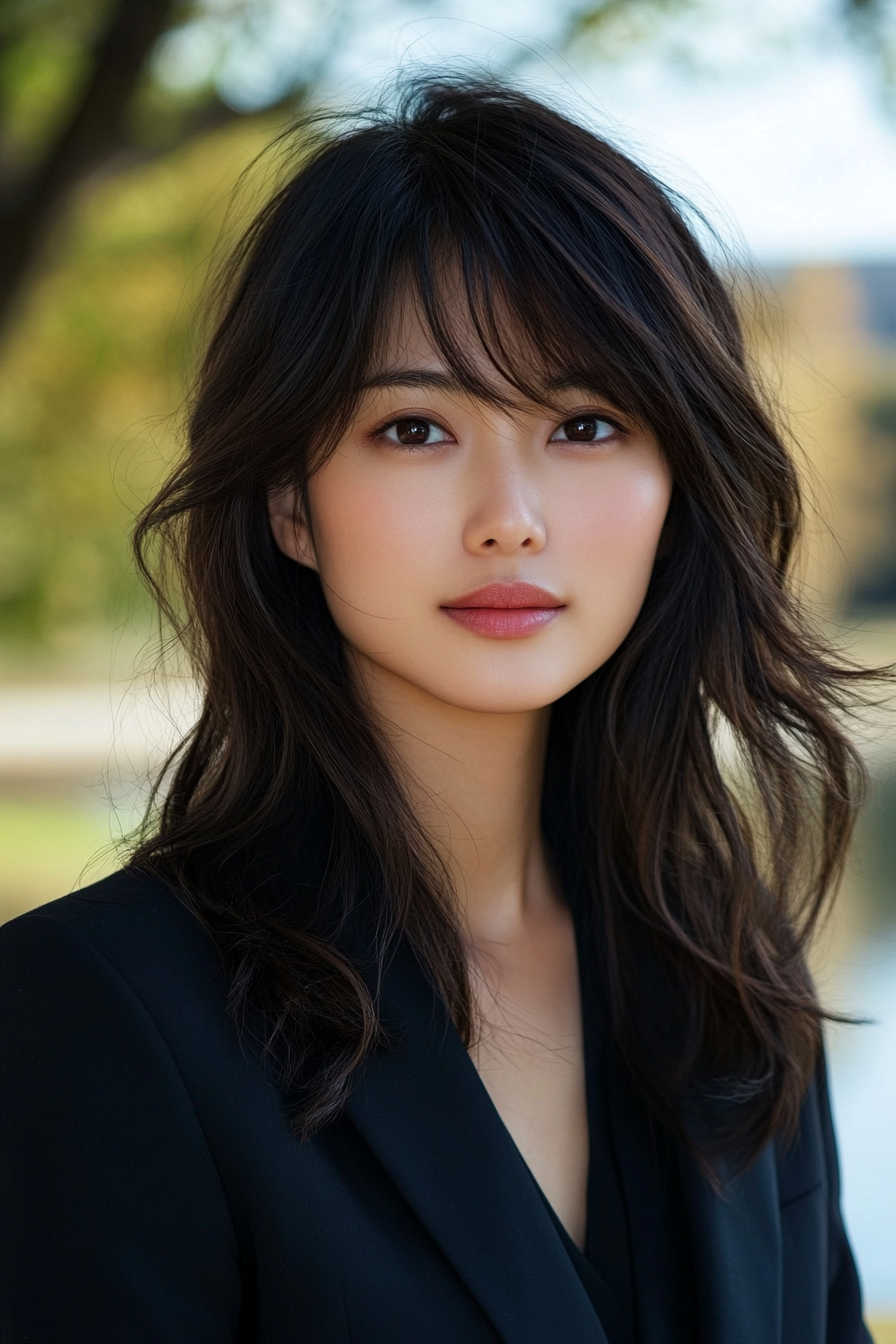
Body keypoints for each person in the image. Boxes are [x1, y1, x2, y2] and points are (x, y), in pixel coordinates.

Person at [0, 76, 876, 1343]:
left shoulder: (729, 978)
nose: (508, 515)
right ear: (288, 503)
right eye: (414, 428)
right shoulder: (97, 1014)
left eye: (582, 423)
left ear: (676, 486)